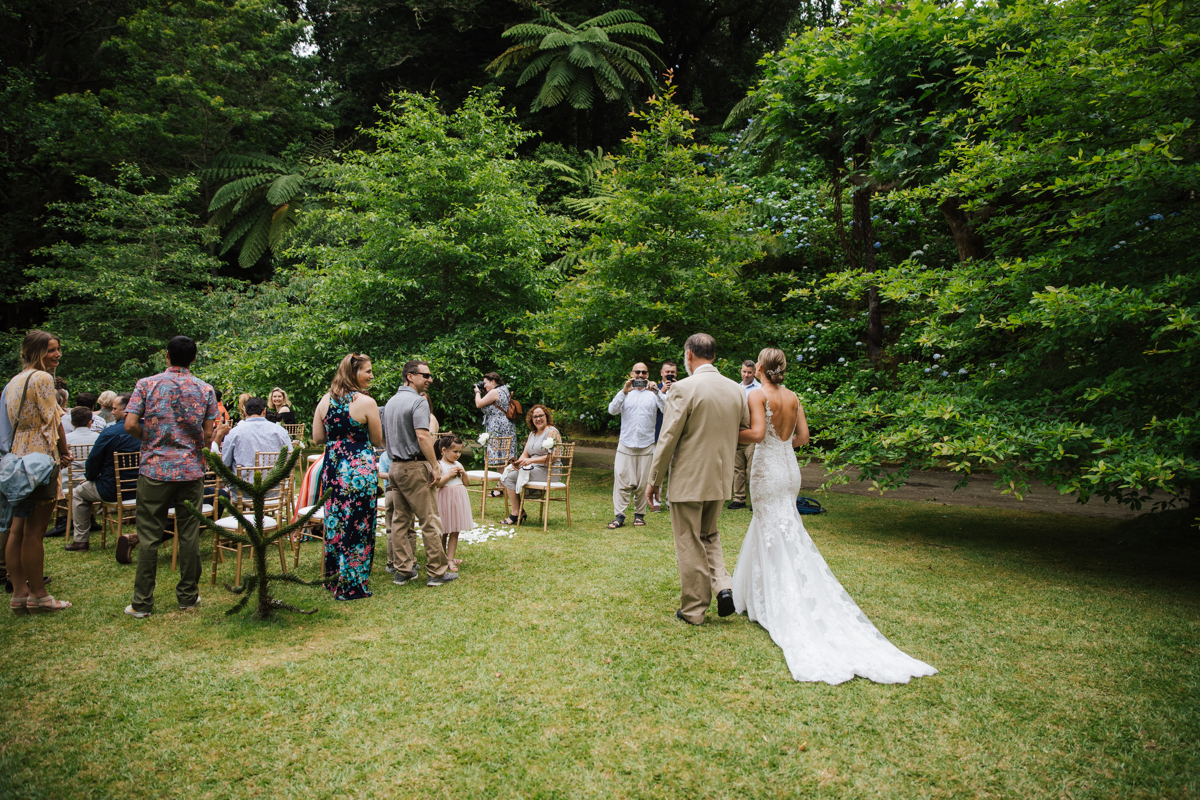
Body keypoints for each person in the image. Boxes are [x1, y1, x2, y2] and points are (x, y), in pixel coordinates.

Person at [731, 348, 937, 684]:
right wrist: (782, 446)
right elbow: (803, 438)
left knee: (770, 526)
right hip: (789, 468)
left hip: (767, 469)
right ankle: (757, 592)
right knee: (781, 527)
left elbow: (755, 434)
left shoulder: (758, 396)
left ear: (761, 368)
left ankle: (770, 597)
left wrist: (725, 435)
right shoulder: (793, 396)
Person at [646, 333, 748, 626]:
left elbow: (667, 438)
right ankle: (724, 587)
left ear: (689, 355)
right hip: (720, 478)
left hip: (689, 480)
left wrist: (654, 479)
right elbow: (740, 434)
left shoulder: (683, 388)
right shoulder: (735, 390)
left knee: (690, 541)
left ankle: (693, 609)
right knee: (710, 535)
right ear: (713, 356)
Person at [122, 335, 217, 617]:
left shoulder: (146, 384)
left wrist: (150, 441)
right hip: (190, 468)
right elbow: (209, 434)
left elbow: (129, 424)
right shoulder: (205, 389)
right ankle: (188, 596)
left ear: (166, 355)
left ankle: (142, 603)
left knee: (149, 534)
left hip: (154, 469)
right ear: (194, 358)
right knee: (189, 533)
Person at [4, 330, 74, 614]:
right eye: (50, 350)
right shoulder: (44, 378)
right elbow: (53, 420)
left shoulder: (14, 381)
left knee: (17, 529)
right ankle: (39, 595)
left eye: (57, 349)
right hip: (40, 456)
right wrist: (63, 452)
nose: (56, 355)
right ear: (35, 352)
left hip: (18, 454)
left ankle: (19, 593)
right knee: (35, 532)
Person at [312, 353, 383, 600]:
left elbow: (318, 438)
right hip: (358, 472)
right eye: (368, 371)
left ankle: (333, 580)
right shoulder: (366, 402)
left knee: (335, 521)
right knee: (359, 524)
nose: (372, 375)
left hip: (332, 468)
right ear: (354, 373)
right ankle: (352, 584)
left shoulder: (324, 400)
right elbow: (377, 440)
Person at [383, 360, 455, 587]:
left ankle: (402, 570)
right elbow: (423, 437)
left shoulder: (390, 402)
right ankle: (437, 572)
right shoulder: (418, 402)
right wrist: (435, 466)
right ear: (410, 376)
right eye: (426, 375)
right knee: (430, 520)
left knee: (400, 521)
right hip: (414, 467)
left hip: (395, 467)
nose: (430, 379)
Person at [66, 393, 140, 552]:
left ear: (127, 410)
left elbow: (93, 462)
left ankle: (80, 541)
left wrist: (90, 478)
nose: (112, 412)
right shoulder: (148, 431)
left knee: (78, 493)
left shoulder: (110, 433)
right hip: (142, 490)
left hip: (111, 490)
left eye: (115, 409)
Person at [606, 362, 664, 529]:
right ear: (631, 374)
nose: (640, 375)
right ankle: (619, 515)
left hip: (646, 445)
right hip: (626, 444)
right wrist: (623, 391)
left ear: (648, 375)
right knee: (621, 480)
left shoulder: (653, 394)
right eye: (637, 372)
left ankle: (640, 515)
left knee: (643, 482)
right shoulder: (625, 393)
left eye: (643, 373)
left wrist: (657, 391)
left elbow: (668, 408)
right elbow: (612, 410)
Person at [498, 404, 560, 526]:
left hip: (548, 470)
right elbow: (525, 454)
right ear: (531, 420)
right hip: (534, 468)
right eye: (535, 417)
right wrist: (518, 464)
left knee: (510, 476)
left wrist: (530, 461)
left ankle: (516, 513)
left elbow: (553, 457)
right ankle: (518, 511)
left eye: (541, 415)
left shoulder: (552, 432)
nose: (538, 419)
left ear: (546, 416)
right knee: (508, 472)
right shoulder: (532, 433)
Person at [220, 396, 292, 474]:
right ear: (264, 411)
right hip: (275, 483)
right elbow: (290, 459)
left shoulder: (233, 433)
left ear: (245, 412)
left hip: (242, 484)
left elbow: (225, 463)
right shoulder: (280, 431)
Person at [433, 433, 472, 572]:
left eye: (460, 452)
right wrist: (448, 475)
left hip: (458, 499)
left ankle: (451, 558)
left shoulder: (458, 464)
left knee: (455, 531)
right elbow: (437, 485)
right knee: (444, 530)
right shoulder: (439, 465)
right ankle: (442, 558)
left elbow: (466, 484)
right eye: (455, 451)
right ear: (444, 450)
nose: (458, 455)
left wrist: (464, 474)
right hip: (445, 499)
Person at [474, 372, 517, 497]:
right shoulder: (504, 390)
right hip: (505, 425)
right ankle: (501, 485)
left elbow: (479, 404)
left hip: (498, 426)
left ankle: (501, 487)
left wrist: (477, 392)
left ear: (493, 381)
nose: (485, 386)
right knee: (503, 456)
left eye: (486, 383)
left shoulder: (494, 392)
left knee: (500, 457)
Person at [728, 360, 762, 510]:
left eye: (749, 372)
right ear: (740, 371)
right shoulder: (736, 388)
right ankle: (739, 498)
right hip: (737, 433)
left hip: (753, 432)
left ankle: (757, 500)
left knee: (753, 469)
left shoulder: (760, 389)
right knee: (738, 468)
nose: (746, 375)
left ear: (754, 372)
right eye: (744, 372)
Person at [650, 359, 678, 513]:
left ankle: (671, 500)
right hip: (657, 435)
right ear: (661, 373)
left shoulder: (681, 389)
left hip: (675, 435)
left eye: (672, 372)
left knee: (674, 470)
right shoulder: (653, 389)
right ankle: (655, 501)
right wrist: (661, 392)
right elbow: (653, 409)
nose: (669, 374)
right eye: (667, 372)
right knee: (657, 469)